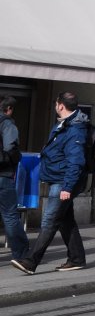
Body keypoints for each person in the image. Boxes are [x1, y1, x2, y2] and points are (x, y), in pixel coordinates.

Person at [11, 92, 89, 274]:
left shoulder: (74, 129)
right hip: (58, 178)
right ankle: (77, 258)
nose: (55, 105)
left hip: (62, 182)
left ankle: (31, 262)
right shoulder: (65, 124)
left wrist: (67, 187)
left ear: (60, 105)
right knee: (65, 221)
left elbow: (76, 161)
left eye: (56, 103)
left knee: (50, 220)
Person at [0, 95, 29, 260]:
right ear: (9, 109)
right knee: (10, 215)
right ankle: (21, 253)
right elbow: (10, 146)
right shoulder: (7, 123)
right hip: (3, 175)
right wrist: (15, 158)